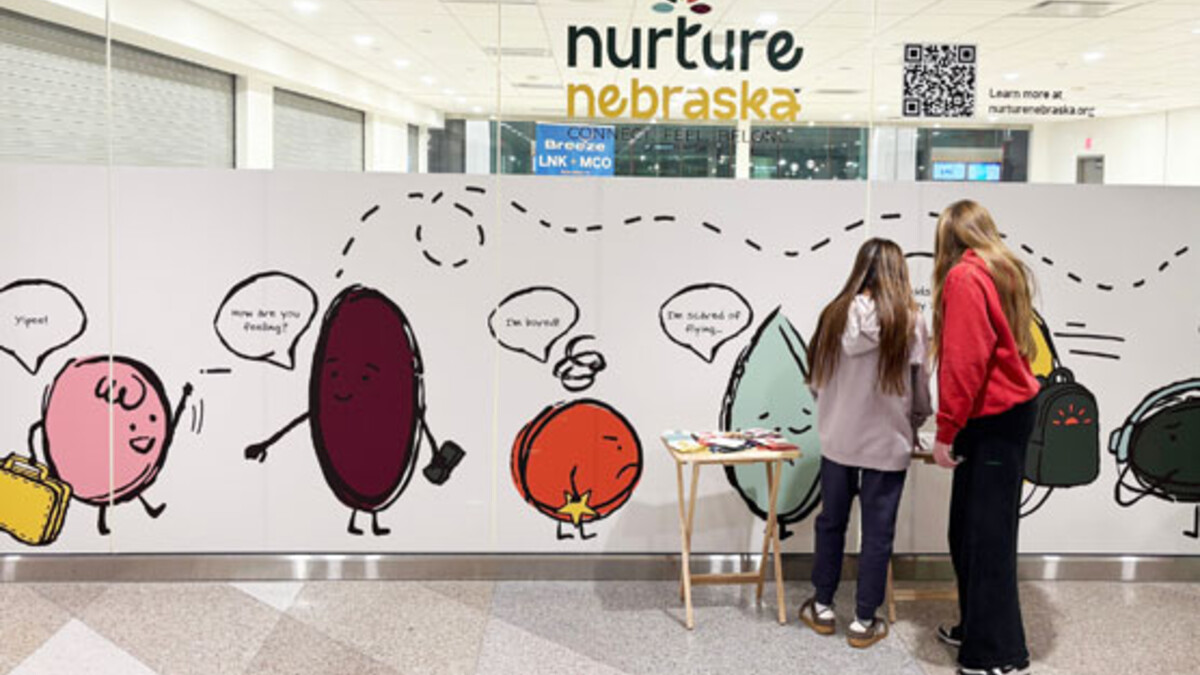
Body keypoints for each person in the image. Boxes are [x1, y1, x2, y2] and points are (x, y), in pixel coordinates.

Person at [799, 237, 932, 649]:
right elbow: (920, 388)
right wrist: (914, 422)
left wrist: (834, 410)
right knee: (877, 533)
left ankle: (823, 607)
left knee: (831, 522)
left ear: (860, 269)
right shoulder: (910, 320)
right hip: (888, 443)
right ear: (898, 271)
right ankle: (862, 621)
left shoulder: (833, 315)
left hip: (838, 439)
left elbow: (815, 379)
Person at [929, 200, 1041, 675]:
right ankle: (976, 627)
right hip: (1005, 412)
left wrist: (945, 430)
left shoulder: (964, 277)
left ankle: (997, 653)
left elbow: (965, 362)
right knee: (969, 530)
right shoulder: (1003, 270)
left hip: (992, 416)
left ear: (948, 238)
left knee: (986, 536)